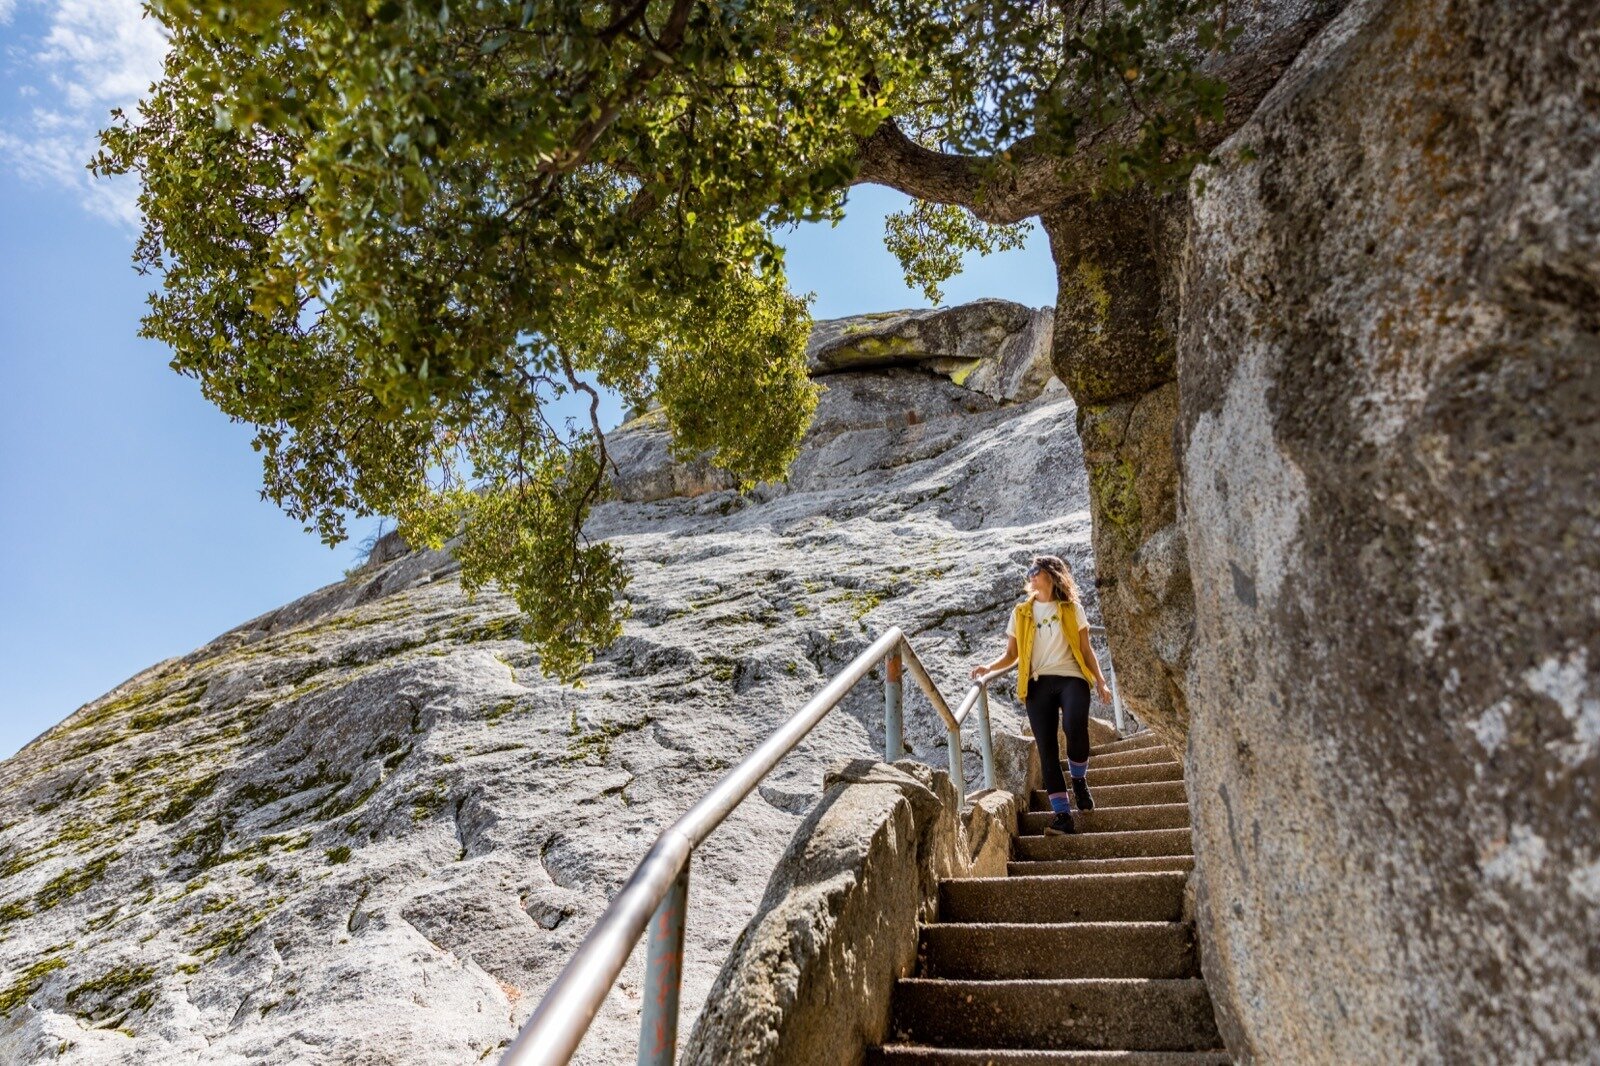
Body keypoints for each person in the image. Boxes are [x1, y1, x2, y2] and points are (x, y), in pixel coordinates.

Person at [970, 555, 1113, 835]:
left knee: (1074, 728)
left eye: (1036, 570)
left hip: (1072, 678)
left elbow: (1086, 650)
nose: (1031, 576)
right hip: (1037, 684)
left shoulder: (1072, 609)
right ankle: (1063, 816)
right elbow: (1012, 654)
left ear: (1051, 574)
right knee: (1046, 750)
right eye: (1030, 572)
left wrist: (1101, 681)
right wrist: (989, 666)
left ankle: (1079, 781)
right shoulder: (1021, 612)